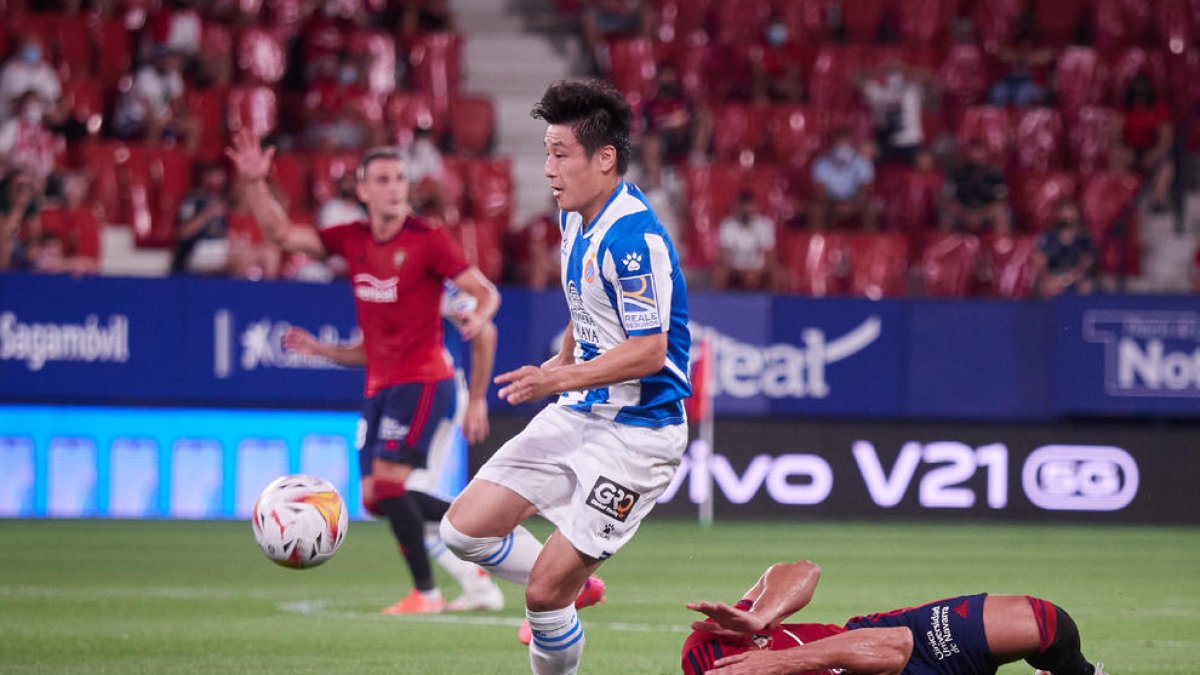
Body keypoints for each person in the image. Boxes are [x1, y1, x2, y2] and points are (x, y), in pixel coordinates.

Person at [439, 79, 691, 675]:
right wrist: (565, 358)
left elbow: (650, 350)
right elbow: (586, 308)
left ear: (604, 159)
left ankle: (564, 600)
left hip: (639, 433)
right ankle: (581, 586)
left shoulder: (634, 240)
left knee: (544, 595)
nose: (548, 168)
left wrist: (558, 379)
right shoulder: (576, 218)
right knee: (462, 531)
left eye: (560, 154)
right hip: (582, 409)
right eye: (547, 151)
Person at [225, 128, 501, 614]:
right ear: (362, 189)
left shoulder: (429, 240)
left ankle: (430, 591)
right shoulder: (351, 240)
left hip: (425, 381)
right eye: (384, 179)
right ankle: (487, 531)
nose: (395, 187)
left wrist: (479, 314)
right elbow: (282, 234)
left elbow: (485, 293)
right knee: (376, 498)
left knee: (394, 488)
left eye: (400, 178)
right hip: (383, 385)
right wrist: (254, 184)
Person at [282, 283, 506, 612]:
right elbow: (371, 350)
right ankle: (478, 575)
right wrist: (323, 350)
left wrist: (476, 399)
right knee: (383, 500)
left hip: (431, 391)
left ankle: (488, 529)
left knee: (398, 494)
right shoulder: (374, 276)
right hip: (391, 394)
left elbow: (485, 330)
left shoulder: (432, 278)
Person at [683, 559, 1108, 675]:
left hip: (898, 641)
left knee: (1043, 623)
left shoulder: (709, 652)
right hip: (885, 661)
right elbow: (893, 654)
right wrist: (780, 663)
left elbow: (802, 571)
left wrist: (760, 617)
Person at [114, 46, 200, 152]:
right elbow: (148, 111)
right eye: (165, 59)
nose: (169, 61)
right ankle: (149, 161)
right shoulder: (144, 76)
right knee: (157, 124)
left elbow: (178, 106)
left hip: (160, 119)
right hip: (131, 121)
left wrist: (183, 119)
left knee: (193, 125)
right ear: (157, 61)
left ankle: (184, 164)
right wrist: (169, 121)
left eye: (170, 58)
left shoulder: (173, 75)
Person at [1121, 73, 1175, 212]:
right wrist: (1125, 151)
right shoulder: (1123, 109)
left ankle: (1158, 201)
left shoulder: (1160, 108)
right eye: (1136, 91)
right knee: (1118, 157)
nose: (1140, 94)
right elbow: (1115, 139)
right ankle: (1122, 200)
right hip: (1131, 149)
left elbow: (1166, 139)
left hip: (1153, 149)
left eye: (1143, 91)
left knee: (1167, 164)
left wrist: (1153, 155)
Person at [809, 128, 877, 230]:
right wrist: (835, 204)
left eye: (846, 143)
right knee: (815, 210)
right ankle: (820, 243)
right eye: (840, 143)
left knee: (872, 209)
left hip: (855, 201)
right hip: (830, 201)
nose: (843, 147)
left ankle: (869, 243)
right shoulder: (821, 163)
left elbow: (865, 187)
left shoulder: (863, 163)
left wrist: (854, 203)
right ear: (833, 144)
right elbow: (820, 191)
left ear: (852, 143)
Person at [170, 163, 231, 275]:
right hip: (198, 247)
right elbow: (182, 233)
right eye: (213, 175)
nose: (217, 180)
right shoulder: (194, 200)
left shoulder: (228, 200)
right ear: (204, 178)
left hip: (224, 246)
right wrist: (208, 214)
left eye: (219, 175)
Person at [713, 192, 775, 291]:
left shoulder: (764, 225)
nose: (747, 212)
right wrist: (741, 273)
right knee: (719, 274)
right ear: (737, 208)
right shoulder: (728, 225)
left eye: (750, 208)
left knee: (779, 276)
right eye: (743, 208)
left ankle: (773, 305)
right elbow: (724, 257)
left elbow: (770, 255)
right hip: (735, 268)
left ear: (755, 208)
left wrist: (758, 272)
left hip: (758, 269)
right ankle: (720, 305)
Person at [944, 140, 1011, 233]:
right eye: (974, 152)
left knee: (1001, 213)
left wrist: (980, 215)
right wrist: (966, 214)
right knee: (949, 212)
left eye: (980, 152)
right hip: (964, 211)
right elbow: (949, 198)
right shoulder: (959, 174)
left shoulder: (995, 175)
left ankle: (1001, 246)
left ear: (986, 154)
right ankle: (946, 245)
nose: (977, 155)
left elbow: (1001, 200)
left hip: (986, 212)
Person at [1034, 199, 1096, 297]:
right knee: (1046, 288)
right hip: (1053, 274)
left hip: (1075, 275)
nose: (1068, 221)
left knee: (1087, 286)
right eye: (1065, 217)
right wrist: (1047, 277)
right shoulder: (1048, 236)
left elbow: (1087, 260)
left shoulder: (1083, 236)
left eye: (1071, 217)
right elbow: (1040, 261)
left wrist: (1077, 273)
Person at [0, 36, 62, 122]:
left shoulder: (47, 70)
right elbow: (19, 101)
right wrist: (33, 99)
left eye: (34, 48)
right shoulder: (10, 70)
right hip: (12, 121)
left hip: (43, 122)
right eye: (29, 47)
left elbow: (56, 98)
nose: (32, 51)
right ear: (20, 49)